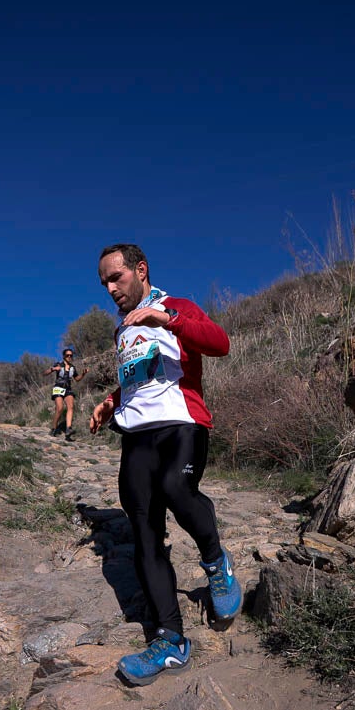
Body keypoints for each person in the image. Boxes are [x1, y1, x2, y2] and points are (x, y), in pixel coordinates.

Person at [88, 243, 242, 686]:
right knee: (145, 536)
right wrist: (110, 402)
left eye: (116, 278)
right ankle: (170, 641)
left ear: (141, 270)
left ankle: (215, 562)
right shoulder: (122, 331)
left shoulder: (176, 307)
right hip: (136, 439)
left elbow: (221, 344)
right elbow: (138, 380)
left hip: (182, 427)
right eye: (105, 284)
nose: (111, 289)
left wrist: (167, 319)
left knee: (178, 489)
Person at [47, 348, 87, 441]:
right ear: (64, 356)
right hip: (58, 388)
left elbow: (77, 379)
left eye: (71, 355)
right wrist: (53, 369)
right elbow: (45, 373)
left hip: (68, 389)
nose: (69, 357)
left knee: (71, 407)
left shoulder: (73, 368)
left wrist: (83, 374)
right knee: (59, 408)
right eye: (67, 355)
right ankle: (54, 428)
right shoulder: (58, 364)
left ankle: (68, 429)